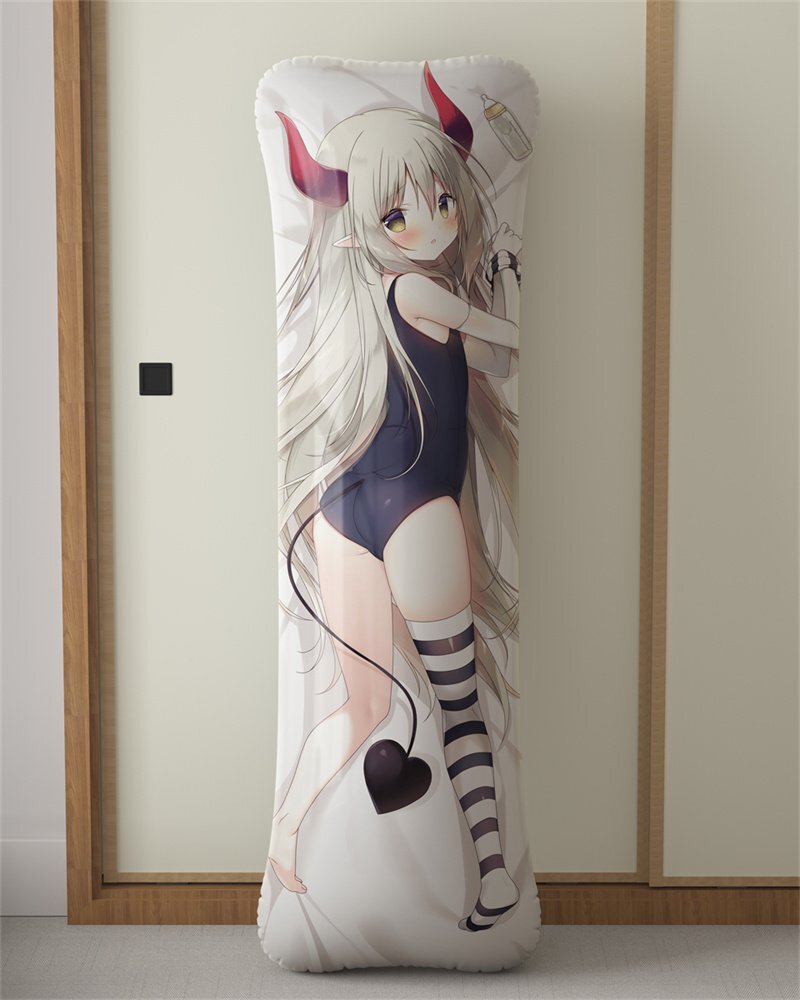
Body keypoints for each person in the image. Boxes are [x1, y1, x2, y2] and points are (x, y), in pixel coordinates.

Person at [269, 63, 524, 932]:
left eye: (442, 202)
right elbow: (507, 342)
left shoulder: (393, 299)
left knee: (367, 704)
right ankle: (494, 875)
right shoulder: (419, 288)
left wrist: (491, 282)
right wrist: (498, 272)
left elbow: (493, 360)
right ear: (365, 227)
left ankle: (288, 835)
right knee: (457, 699)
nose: (431, 224)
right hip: (415, 508)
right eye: (398, 213)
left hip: (348, 509)